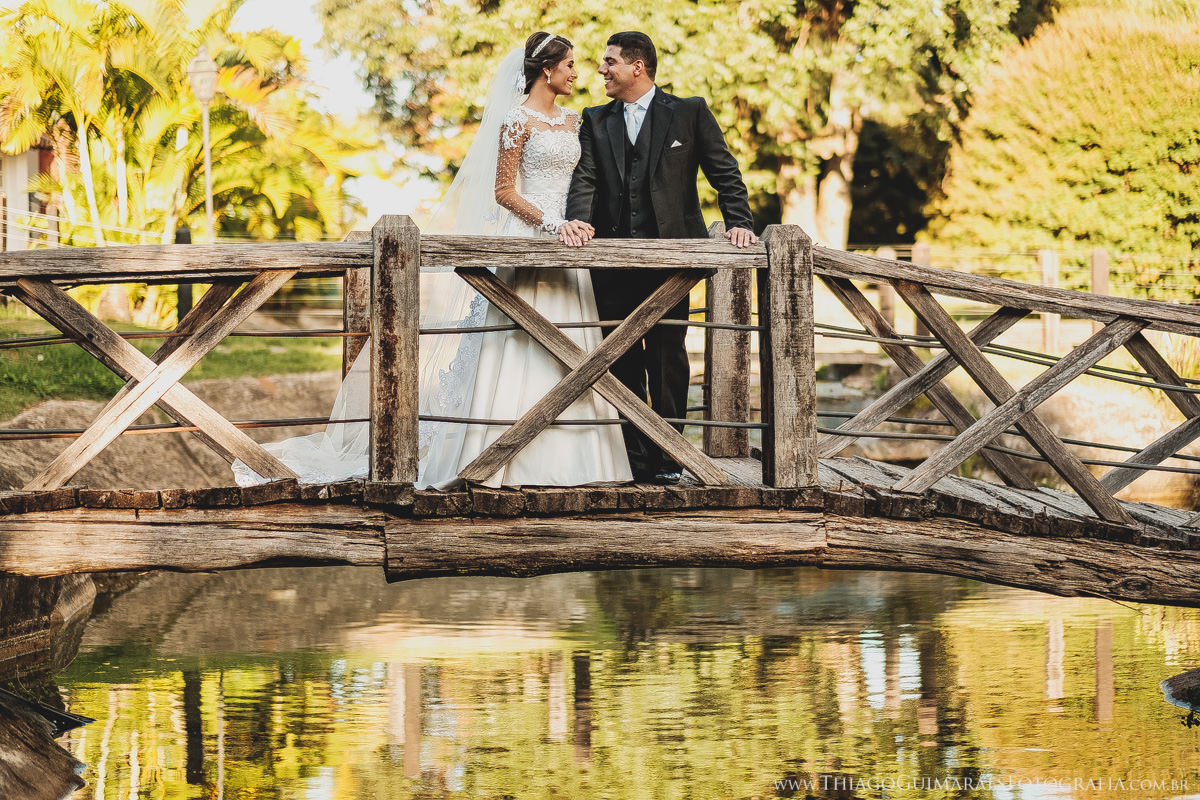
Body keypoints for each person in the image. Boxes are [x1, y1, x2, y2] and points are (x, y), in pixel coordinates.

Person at [233, 32, 631, 489]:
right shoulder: (516, 121)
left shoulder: (572, 122)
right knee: (515, 343)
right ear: (547, 69)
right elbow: (503, 191)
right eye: (570, 65)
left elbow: (584, 182)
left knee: (570, 342)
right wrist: (550, 224)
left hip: (569, 245)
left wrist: (574, 224)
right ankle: (499, 457)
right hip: (528, 238)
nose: (577, 73)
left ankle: (581, 461)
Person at [564, 31, 756, 484]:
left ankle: (669, 455)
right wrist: (576, 223)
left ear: (638, 66)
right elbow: (585, 179)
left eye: (609, 61)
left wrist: (740, 222)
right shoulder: (594, 118)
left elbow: (723, 170)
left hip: (673, 258)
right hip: (613, 260)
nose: (601, 69)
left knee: (668, 358)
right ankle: (634, 459)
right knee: (621, 357)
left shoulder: (689, 112)